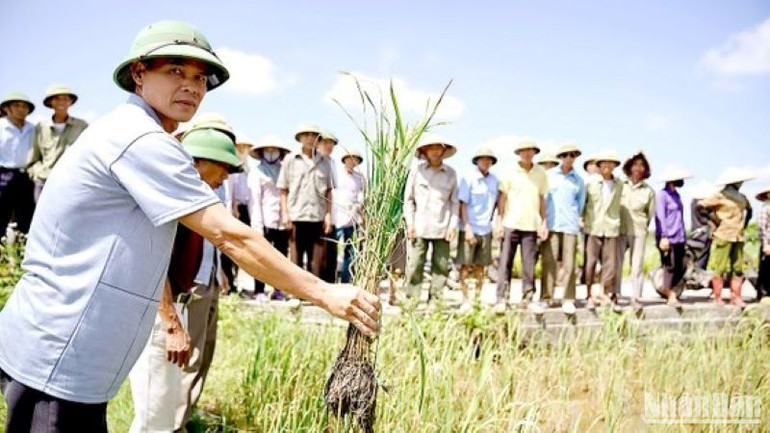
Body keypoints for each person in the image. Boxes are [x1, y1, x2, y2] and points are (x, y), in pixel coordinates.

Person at [0, 21, 380, 433]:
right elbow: (229, 235)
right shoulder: (140, 139)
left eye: (200, 77)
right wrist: (324, 292)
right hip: (59, 360)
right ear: (139, 73)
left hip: (66, 358)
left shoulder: (133, 132)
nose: (192, 86)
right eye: (176, 71)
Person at [129, 123, 241, 433]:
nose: (227, 176)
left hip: (172, 308)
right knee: (154, 419)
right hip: (158, 314)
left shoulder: (196, 197)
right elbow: (154, 265)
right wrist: (172, 323)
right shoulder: (169, 197)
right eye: (224, 166)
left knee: (161, 415)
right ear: (197, 162)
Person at [494, 140, 549, 314]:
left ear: (534, 152)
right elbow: (502, 197)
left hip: (531, 224)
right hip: (510, 222)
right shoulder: (509, 171)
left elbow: (542, 198)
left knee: (529, 264)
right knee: (505, 262)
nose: (527, 154)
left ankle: (528, 297)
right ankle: (502, 298)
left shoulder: (540, 172)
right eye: (524, 151)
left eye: (530, 151)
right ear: (519, 153)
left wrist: (543, 222)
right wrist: (499, 221)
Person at [403, 135, 459, 305]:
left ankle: (436, 300)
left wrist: (452, 226)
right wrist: (410, 223)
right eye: (431, 148)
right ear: (425, 151)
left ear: (443, 151)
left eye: (438, 148)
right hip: (419, 227)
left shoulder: (451, 174)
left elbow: (454, 202)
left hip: (442, 227)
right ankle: (412, 300)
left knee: (441, 266)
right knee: (415, 264)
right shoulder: (417, 171)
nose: (435, 152)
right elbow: (409, 200)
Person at [278, 123, 333, 279]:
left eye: (313, 135)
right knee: (295, 258)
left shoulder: (325, 162)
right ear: (300, 138)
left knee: (317, 261)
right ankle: (296, 294)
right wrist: (285, 214)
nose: (309, 139)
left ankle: (314, 296)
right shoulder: (290, 160)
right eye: (306, 135)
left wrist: (329, 215)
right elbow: (283, 189)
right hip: (296, 215)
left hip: (317, 216)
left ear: (318, 139)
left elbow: (329, 191)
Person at [539, 143, 586, 315]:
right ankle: (546, 297)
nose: (568, 158)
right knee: (548, 262)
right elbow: (542, 200)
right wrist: (543, 222)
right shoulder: (549, 176)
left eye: (572, 155)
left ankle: (568, 298)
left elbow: (580, 204)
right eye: (565, 155)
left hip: (569, 225)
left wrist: (574, 218)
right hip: (551, 224)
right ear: (560, 157)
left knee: (569, 264)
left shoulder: (578, 180)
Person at [699, 168, 754, 306]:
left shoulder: (742, 197)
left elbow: (750, 210)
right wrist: (714, 221)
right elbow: (700, 206)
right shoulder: (720, 195)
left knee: (738, 268)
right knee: (720, 267)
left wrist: (744, 224)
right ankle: (718, 297)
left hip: (738, 236)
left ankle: (736, 297)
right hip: (723, 234)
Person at [248, 136, 292, 301]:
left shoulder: (284, 170)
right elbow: (254, 199)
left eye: (275, 150)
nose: (272, 153)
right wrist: (257, 225)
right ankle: (259, 290)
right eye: (269, 150)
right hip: (264, 219)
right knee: (261, 257)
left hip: (282, 221)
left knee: (280, 257)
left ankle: (278, 289)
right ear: (262, 152)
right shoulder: (257, 172)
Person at [27, 85, 89, 201]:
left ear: (70, 102)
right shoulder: (40, 128)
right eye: (58, 99)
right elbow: (33, 159)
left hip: (72, 182)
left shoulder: (82, 126)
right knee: (44, 218)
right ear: (51, 102)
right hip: (45, 182)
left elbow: (89, 154)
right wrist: (38, 175)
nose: (62, 102)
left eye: (65, 98)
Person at [457, 147, 499, 312]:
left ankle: (477, 298)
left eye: (489, 159)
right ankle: (465, 299)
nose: (486, 162)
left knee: (482, 266)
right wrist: (467, 228)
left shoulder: (495, 180)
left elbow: (497, 203)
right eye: (483, 159)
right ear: (477, 160)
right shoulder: (468, 178)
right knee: (466, 265)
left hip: (486, 228)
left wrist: (495, 223)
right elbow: (463, 204)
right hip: (470, 227)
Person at [582, 152, 623, 308]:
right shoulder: (590, 183)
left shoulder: (619, 184)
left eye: (610, 163)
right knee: (590, 263)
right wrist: (582, 218)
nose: (607, 166)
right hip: (593, 226)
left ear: (614, 166)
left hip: (611, 227)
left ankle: (604, 293)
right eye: (604, 163)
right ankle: (589, 293)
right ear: (598, 166)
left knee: (609, 263)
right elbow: (583, 203)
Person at [616, 151, 655, 308]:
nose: (638, 168)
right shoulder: (620, 185)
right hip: (619, 229)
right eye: (635, 164)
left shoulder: (649, 191)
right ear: (629, 167)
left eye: (641, 165)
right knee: (616, 264)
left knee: (637, 265)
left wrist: (643, 226)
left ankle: (636, 297)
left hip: (639, 231)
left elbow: (650, 214)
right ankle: (615, 295)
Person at [220, 134, 252, 295]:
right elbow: (228, 191)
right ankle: (229, 282)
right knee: (228, 249)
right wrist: (232, 209)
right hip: (232, 209)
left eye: (246, 149)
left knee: (241, 249)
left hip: (245, 209)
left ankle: (236, 281)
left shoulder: (247, 169)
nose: (243, 151)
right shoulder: (231, 166)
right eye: (240, 148)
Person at [0, 92, 36, 238]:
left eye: (24, 106)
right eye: (16, 105)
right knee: (1, 213)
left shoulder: (32, 128)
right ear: (7, 109)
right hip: (3, 175)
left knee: (26, 213)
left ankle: (23, 249)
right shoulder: (1, 127)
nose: (21, 109)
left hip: (26, 175)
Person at [654, 166, 692, 307]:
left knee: (681, 265)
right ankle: (669, 294)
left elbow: (679, 217)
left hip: (679, 236)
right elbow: (660, 216)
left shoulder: (677, 195)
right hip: (667, 236)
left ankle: (672, 291)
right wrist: (663, 236)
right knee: (669, 266)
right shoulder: (662, 195)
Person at [333, 147, 365, 284]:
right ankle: (331, 278)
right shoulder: (336, 175)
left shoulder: (360, 178)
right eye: (350, 158)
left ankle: (346, 280)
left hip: (353, 218)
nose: (352, 161)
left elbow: (362, 196)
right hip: (337, 216)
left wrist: (360, 208)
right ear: (344, 160)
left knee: (350, 251)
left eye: (355, 159)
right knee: (332, 249)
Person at [316, 131, 340, 283]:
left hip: (333, 214)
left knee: (331, 251)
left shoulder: (333, 163)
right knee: (319, 253)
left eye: (331, 143)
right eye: (325, 142)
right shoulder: (315, 163)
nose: (329, 146)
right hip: (318, 214)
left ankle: (331, 282)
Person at [755, 186, 770, 305]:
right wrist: (766, 244)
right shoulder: (765, 208)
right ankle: (762, 293)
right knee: (765, 269)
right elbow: (762, 228)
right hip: (768, 242)